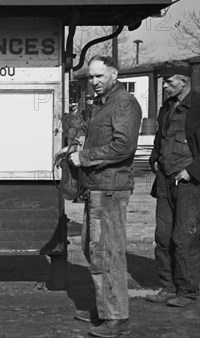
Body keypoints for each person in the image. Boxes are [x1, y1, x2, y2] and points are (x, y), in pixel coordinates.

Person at [64, 56, 142, 338]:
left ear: (114, 73)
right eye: (91, 77)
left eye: (99, 76)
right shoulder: (100, 104)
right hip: (97, 186)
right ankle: (105, 308)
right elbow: (88, 128)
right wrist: (73, 144)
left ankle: (117, 318)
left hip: (111, 188)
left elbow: (123, 146)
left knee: (107, 253)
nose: (94, 82)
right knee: (91, 248)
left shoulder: (124, 104)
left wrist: (83, 157)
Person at [146, 61, 200, 308]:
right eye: (164, 82)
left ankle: (188, 291)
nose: (166, 86)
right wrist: (155, 162)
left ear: (184, 81)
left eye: (170, 82)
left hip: (189, 184)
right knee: (162, 236)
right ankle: (168, 287)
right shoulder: (166, 108)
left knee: (184, 237)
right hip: (164, 181)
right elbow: (161, 140)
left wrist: (191, 171)